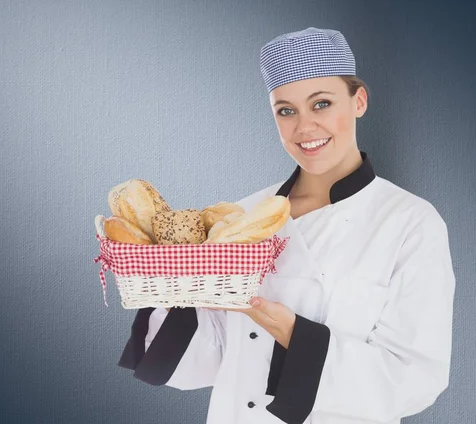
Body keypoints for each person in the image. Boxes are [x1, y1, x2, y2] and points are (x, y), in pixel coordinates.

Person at [117, 27, 456, 424]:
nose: (304, 128)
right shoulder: (240, 218)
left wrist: (296, 337)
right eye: (286, 110)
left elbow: (417, 380)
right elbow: (209, 359)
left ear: (359, 101)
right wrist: (175, 291)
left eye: (322, 104)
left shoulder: (409, 222)